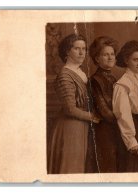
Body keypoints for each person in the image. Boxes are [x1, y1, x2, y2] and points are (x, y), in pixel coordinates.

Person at [48, 33, 100, 174]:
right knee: (72, 169)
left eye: (84, 48)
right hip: (71, 127)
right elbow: (70, 109)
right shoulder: (65, 74)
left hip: (81, 125)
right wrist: (93, 116)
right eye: (77, 48)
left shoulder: (79, 72)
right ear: (67, 51)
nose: (82, 52)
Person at [112, 40, 138, 172]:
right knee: (132, 169)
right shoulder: (123, 84)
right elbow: (123, 114)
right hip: (132, 129)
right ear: (126, 60)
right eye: (135, 60)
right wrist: (131, 141)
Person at [89, 36, 121, 173]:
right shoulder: (95, 81)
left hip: (117, 128)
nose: (110, 58)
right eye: (105, 54)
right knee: (108, 166)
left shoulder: (114, 78)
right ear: (97, 58)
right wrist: (124, 121)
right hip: (104, 131)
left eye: (112, 54)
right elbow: (104, 111)